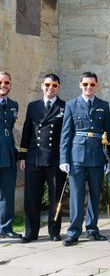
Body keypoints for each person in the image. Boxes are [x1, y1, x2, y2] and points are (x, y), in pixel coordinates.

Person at [59, 72, 110, 246]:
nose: (88, 88)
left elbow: (108, 135)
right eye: (85, 85)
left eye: (92, 85)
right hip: (77, 157)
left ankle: (92, 228)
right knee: (77, 195)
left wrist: (109, 159)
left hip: (97, 157)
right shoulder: (71, 105)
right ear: (80, 85)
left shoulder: (103, 105)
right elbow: (66, 134)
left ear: (96, 85)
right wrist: (63, 159)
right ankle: (74, 231)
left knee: (95, 194)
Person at [18, 74, 66, 242]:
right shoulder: (33, 106)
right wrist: (23, 156)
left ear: (58, 87)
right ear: (42, 86)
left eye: (54, 85)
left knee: (55, 198)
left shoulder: (64, 107)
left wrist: (65, 158)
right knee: (31, 197)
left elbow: (66, 136)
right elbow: (26, 132)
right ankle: (31, 232)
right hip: (34, 158)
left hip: (55, 159)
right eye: (47, 84)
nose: (50, 88)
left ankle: (54, 231)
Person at [0, 71, 21, 239]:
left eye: (7, 82)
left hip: (8, 154)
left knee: (8, 193)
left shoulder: (14, 104)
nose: (3, 85)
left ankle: (6, 227)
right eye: (1, 82)